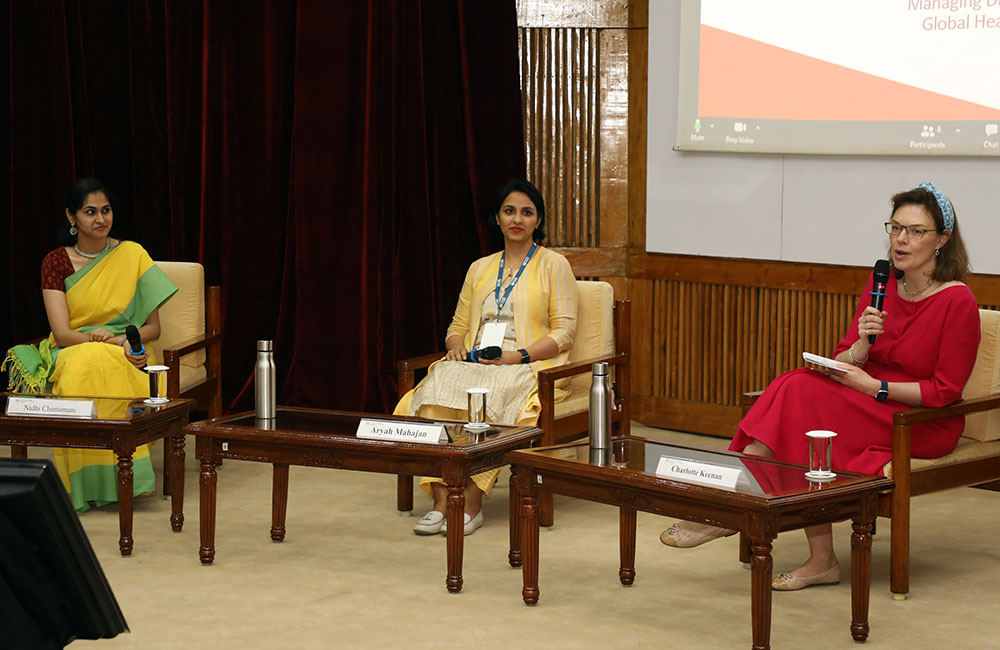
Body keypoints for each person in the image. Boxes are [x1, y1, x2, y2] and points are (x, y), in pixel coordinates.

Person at [659, 182, 979, 591]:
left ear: (942, 240)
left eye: (915, 231)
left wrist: (876, 387)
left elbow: (945, 391)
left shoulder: (958, 301)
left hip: (919, 418)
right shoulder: (882, 282)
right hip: (866, 395)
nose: (901, 239)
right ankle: (814, 555)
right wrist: (863, 344)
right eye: (896, 227)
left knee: (800, 396)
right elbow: (844, 354)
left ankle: (725, 510)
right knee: (799, 389)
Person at [394, 179, 578, 536]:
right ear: (497, 217)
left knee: (495, 393)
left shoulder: (554, 265)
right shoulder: (479, 268)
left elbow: (564, 331)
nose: (517, 219)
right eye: (509, 211)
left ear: (538, 220)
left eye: (527, 212)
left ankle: (473, 500)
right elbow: (458, 323)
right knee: (435, 386)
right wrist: (456, 345)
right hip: (477, 362)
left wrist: (517, 355)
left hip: (530, 365)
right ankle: (442, 498)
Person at [2, 178, 178, 512]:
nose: (100, 219)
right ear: (72, 217)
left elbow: (152, 327)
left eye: (106, 210)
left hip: (129, 352)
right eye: (90, 212)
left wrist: (121, 341)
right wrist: (97, 339)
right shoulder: (55, 262)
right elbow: (63, 333)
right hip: (72, 350)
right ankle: (83, 486)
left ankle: (126, 479)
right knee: (84, 366)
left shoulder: (132, 254)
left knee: (108, 362)